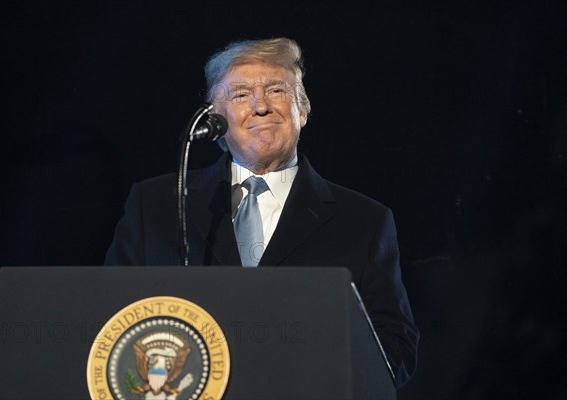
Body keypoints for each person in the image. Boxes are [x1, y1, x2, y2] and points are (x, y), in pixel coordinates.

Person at [105, 37, 419, 387]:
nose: (260, 107)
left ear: (302, 110)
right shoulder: (157, 205)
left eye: (275, 91)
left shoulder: (363, 221)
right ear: (215, 124)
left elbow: (395, 347)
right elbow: (108, 318)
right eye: (240, 95)